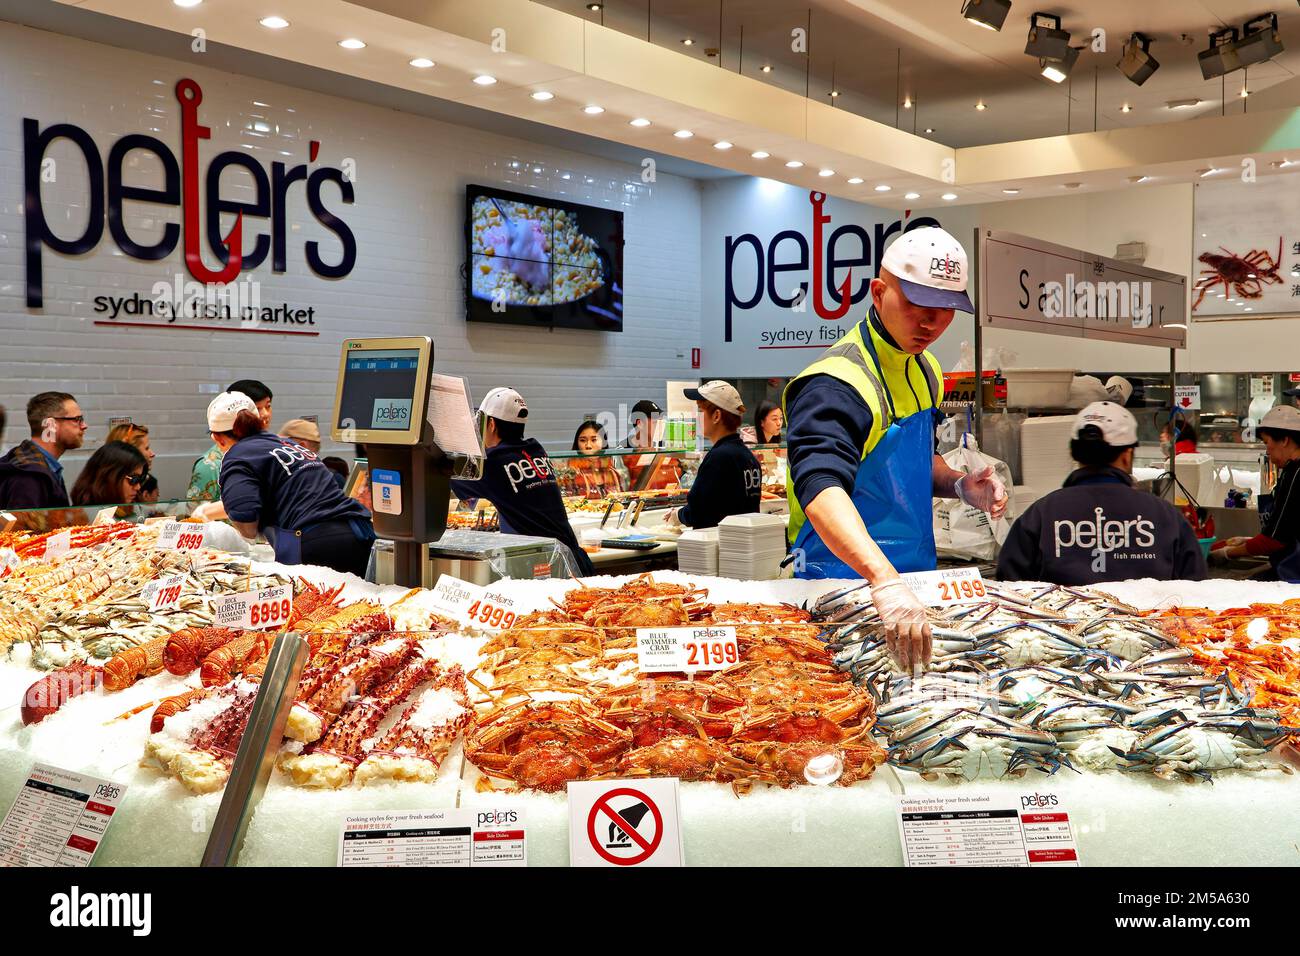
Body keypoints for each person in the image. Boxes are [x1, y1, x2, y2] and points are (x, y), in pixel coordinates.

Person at [784, 227, 1006, 673]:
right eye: (916, 305)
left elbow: (914, 462)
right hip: (837, 583)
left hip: (913, 580)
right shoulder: (835, 383)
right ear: (879, 292)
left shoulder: (925, 370)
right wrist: (881, 579)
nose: (931, 323)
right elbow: (820, 488)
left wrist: (960, 485)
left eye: (946, 311)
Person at [998, 402, 1207, 585]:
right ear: (1127, 454)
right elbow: (1196, 593)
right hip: (1150, 629)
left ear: (1074, 453)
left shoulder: (1040, 515)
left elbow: (1009, 590)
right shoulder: (1166, 516)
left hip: (1063, 630)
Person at [195, 392, 374, 576]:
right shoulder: (288, 444)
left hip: (316, 545)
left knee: (308, 605)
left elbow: (246, 520)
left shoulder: (238, 456)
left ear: (217, 438)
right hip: (359, 533)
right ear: (257, 422)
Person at [450, 388, 594, 576]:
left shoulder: (493, 462)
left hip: (546, 569)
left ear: (491, 424)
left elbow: (446, 476)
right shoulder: (536, 449)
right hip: (574, 560)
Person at [1212, 405, 1300, 580]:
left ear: (1284, 440)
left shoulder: (1296, 473)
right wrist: (1248, 540)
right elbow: (1289, 530)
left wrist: (1228, 553)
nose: (1267, 450)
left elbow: (1274, 540)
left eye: (1267, 443)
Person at [665, 382, 761, 530]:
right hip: (739, 544)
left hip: (720, 547)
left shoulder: (719, 458)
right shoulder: (747, 456)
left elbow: (699, 511)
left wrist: (678, 516)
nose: (697, 417)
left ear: (716, 416)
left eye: (700, 410)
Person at [188, 379, 273, 501]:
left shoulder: (273, 451)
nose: (265, 414)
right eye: (257, 408)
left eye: (268, 406)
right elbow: (197, 514)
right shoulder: (210, 466)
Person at [0, 391, 87, 509]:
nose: (84, 425)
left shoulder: (37, 466)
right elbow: (24, 527)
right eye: (77, 419)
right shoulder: (29, 477)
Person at [70, 441, 148, 516]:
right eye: (133, 479)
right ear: (110, 476)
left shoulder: (134, 509)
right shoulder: (85, 517)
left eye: (140, 479)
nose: (138, 487)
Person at [622, 399, 682, 490]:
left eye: (661, 421)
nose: (661, 426)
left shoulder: (665, 447)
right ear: (640, 424)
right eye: (655, 422)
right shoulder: (623, 450)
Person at [564, 420, 623, 498]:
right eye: (582, 440)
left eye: (594, 440)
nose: (588, 445)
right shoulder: (571, 474)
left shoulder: (613, 473)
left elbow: (621, 500)